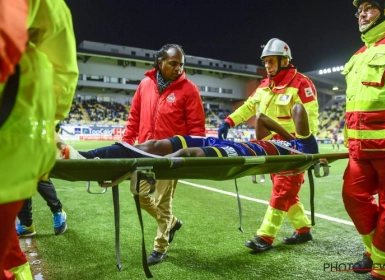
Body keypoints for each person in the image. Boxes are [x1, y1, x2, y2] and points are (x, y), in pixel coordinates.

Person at [0, 0, 79, 279]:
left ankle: (57, 212)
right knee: (24, 177)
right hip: (18, 117)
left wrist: (52, 122)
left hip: (16, 114)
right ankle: (28, 224)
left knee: (32, 176)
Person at [218, 38, 319, 253]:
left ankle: (265, 236)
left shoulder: (301, 83)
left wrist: (308, 145)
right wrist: (229, 121)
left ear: (285, 61)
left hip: (294, 148)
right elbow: (247, 107)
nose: (267, 65)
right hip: (272, 147)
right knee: (285, 191)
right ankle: (303, 229)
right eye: (265, 62)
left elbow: (311, 117)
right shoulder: (264, 86)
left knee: (282, 190)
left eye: (271, 61)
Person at [121, 44, 205, 266]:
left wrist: (191, 156)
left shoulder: (189, 90)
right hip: (144, 156)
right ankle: (173, 223)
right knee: (139, 195)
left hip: (170, 158)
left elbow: (197, 130)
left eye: (181, 64)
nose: (178, 68)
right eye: (173, 63)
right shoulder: (145, 84)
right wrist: (127, 145)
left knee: (163, 202)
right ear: (160, 62)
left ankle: (160, 247)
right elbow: (134, 118)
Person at [341, 1, 385, 280]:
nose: (361, 14)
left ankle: (384, 271)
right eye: (359, 10)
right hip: (359, 147)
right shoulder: (359, 53)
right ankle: (376, 251)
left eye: (368, 7)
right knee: (352, 197)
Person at [60, 104, 318, 160]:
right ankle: (85, 155)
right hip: (231, 142)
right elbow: (261, 117)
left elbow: (297, 108)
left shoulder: (307, 147)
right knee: (153, 144)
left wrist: (299, 140)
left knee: (188, 154)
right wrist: (289, 138)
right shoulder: (286, 143)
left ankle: (154, 169)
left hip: (241, 150)